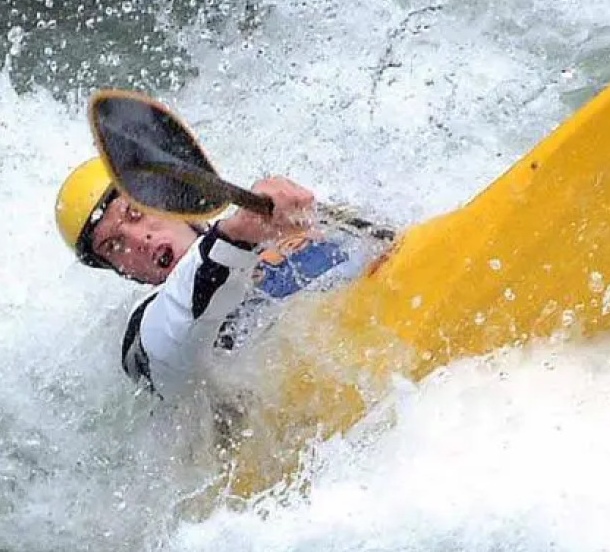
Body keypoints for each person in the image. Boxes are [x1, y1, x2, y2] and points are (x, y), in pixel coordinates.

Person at [55, 157, 388, 400]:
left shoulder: (271, 223)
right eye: (114, 246)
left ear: (165, 199)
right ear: (121, 272)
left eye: (135, 213)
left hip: (380, 344)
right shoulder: (144, 339)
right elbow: (174, 336)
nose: (139, 240)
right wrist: (235, 236)